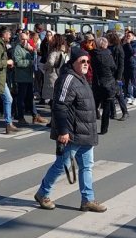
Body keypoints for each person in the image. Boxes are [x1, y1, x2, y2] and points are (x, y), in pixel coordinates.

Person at [34, 48, 107, 213]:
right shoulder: (67, 79)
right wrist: (63, 131)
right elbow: (60, 106)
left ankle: (87, 200)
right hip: (72, 134)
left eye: (87, 62)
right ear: (73, 62)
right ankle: (42, 193)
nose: (86, 64)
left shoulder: (81, 78)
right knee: (62, 165)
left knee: (87, 166)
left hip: (86, 133)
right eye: (82, 61)